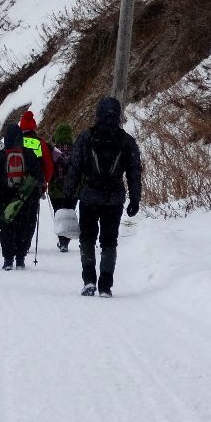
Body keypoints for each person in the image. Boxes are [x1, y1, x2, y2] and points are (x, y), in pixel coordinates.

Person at [62, 97, 142, 297]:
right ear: (118, 115)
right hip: (114, 199)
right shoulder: (126, 141)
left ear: (97, 113)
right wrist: (135, 199)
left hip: (89, 196)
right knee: (109, 241)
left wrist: (68, 194)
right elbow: (134, 172)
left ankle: (89, 280)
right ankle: (105, 285)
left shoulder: (86, 137)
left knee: (87, 238)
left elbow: (75, 167)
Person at [0, 122, 44, 270]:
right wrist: (37, 192)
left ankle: (8, 260)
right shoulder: (29, 154)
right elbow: (38, 177)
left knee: (7, 227)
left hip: (4, 197)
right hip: (25, 198)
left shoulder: (0, 156)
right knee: (25, 227)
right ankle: (20, 258)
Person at [47, 122, 77, 252]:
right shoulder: (76, 149)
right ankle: (66, 241)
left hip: (56, 190)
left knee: (59, 214)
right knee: (69, 212)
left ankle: (62, 241)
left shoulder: (52, 150)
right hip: (73, 190)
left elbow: (48, 168)